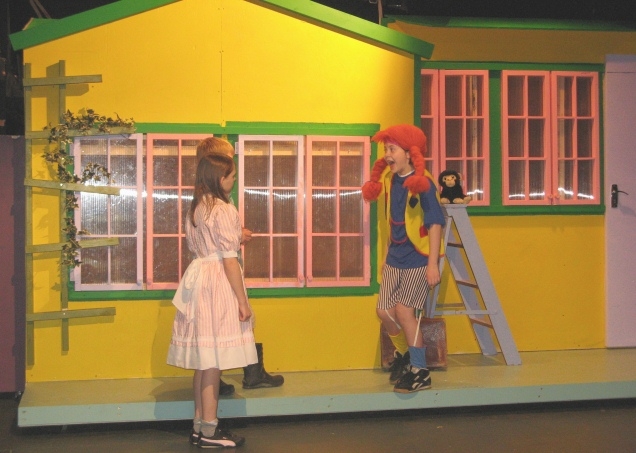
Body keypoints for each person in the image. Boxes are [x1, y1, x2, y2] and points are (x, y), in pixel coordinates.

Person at [167, 153, 255, 447]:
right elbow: (229, 259)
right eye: (231, 176)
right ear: (220, 178)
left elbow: (207, 246)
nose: (233, 180)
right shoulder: (224, 209)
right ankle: (209, 430)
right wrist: (242, 301)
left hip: (199, 279)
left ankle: (199, 425)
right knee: (213, 361)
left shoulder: (196, 208)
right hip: (217, 282)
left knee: (203, 360)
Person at [196, 137, 285, 392]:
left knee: (223, 324)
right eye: (228, 157)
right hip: (222, 271)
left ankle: (239, 373)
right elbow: (223, 243)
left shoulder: (204, 200)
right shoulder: (217, 202)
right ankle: (232, 376)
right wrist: (237, 237)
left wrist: (236, 235)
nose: (232, 163)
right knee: (233, 318)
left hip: (217, 269)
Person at [361, 124, 445, 393]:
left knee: (404, 311)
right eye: (386, 149)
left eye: (392, 149)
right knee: (384, 311)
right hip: (395, 256)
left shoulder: (424, 183)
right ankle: (407, 356)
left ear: (410, 153)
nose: (387, 154)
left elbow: (435, 223)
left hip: (418, 257)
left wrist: (432, 264)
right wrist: (386, 254)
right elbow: (392, 218)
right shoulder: (389, 178)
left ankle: (420, 372)